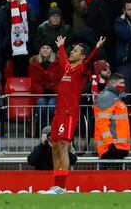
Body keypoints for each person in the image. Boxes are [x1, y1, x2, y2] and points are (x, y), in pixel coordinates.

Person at [40, 35, 105, 194]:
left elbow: (90, 61)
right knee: (54, 147)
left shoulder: (82, 68)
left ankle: (62, 187)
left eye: (75, 51)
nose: (71, 52)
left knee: (63, 147)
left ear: (82, 56)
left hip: (69, 114)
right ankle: (56, 185)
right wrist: (61, 47)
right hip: (58, 113)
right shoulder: (68, 68)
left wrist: (96, 48)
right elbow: (62, 60)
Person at [94, 73, 130, 159]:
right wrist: (110, 145)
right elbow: (102, 124)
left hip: (117, 147)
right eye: (121, 83)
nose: (124, 85)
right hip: (110, 149)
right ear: (113, 84)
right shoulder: (107, 98)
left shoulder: (114, 97)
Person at [28, 43, 61, 129]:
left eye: (48, 48)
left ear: (51, 51)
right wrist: (42, 91)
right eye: (43, 48)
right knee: (41, 105)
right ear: (40, 50)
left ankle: (54, 129)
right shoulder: (33, 65)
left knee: (51, 105)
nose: (45, 50)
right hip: (40, 94)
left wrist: (54, 90)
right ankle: (43, 131)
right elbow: (33, 82)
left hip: (54, 94)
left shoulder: (58, 64)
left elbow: (60, 81)